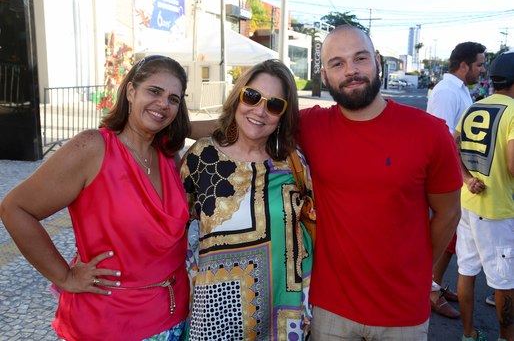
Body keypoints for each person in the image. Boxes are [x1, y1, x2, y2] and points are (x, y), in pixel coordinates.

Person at [189, 26, 463, 340]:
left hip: (402, 313)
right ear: (324, 74)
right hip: (330, 309)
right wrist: (168, 127)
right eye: (338, 63)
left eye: (360, 58)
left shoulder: (429, 133)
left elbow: (449, 214)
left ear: (376, 61)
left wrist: (415, 267)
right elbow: (245, 122)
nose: (351, 70)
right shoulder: (310, 126)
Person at [0, 55, 192, 340]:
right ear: (130, 91)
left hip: (174, 317)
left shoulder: (169, 155)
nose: (163, 104)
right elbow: (15, 208)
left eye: (173, 99)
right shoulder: (93, 148)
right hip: (109, 324)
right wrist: (64, 276)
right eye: (154, 91)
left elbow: (220, 129)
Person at [180, 59, 314, 340]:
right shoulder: (201, 157)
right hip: (214, 318)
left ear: (283, 116)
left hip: (281, 319)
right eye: (252, 97)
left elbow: (311, 227)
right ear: (238, 96)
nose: (260, 111)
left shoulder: (292, 163)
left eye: (274, 105)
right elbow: (172, 228)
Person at [454, 51, 514, 341]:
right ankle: (506, 337)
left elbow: (452, 144)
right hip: (498, 211)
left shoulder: (474, 107)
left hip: (468, 204)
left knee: (466, 270)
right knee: (504, 281)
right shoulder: (513, 111)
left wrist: (466, 178)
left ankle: (469, 334)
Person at [426, 41, 486, 319]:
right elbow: (443, 139)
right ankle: (429, 291)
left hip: (457, 176)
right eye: (479, 65)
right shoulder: (446, 91)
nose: (482, 71)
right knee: (440, 233)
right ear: (464, 66)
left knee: (451, 238)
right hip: (446, 177)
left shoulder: (460, 89)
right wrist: (464, 177)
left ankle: (434, 285)